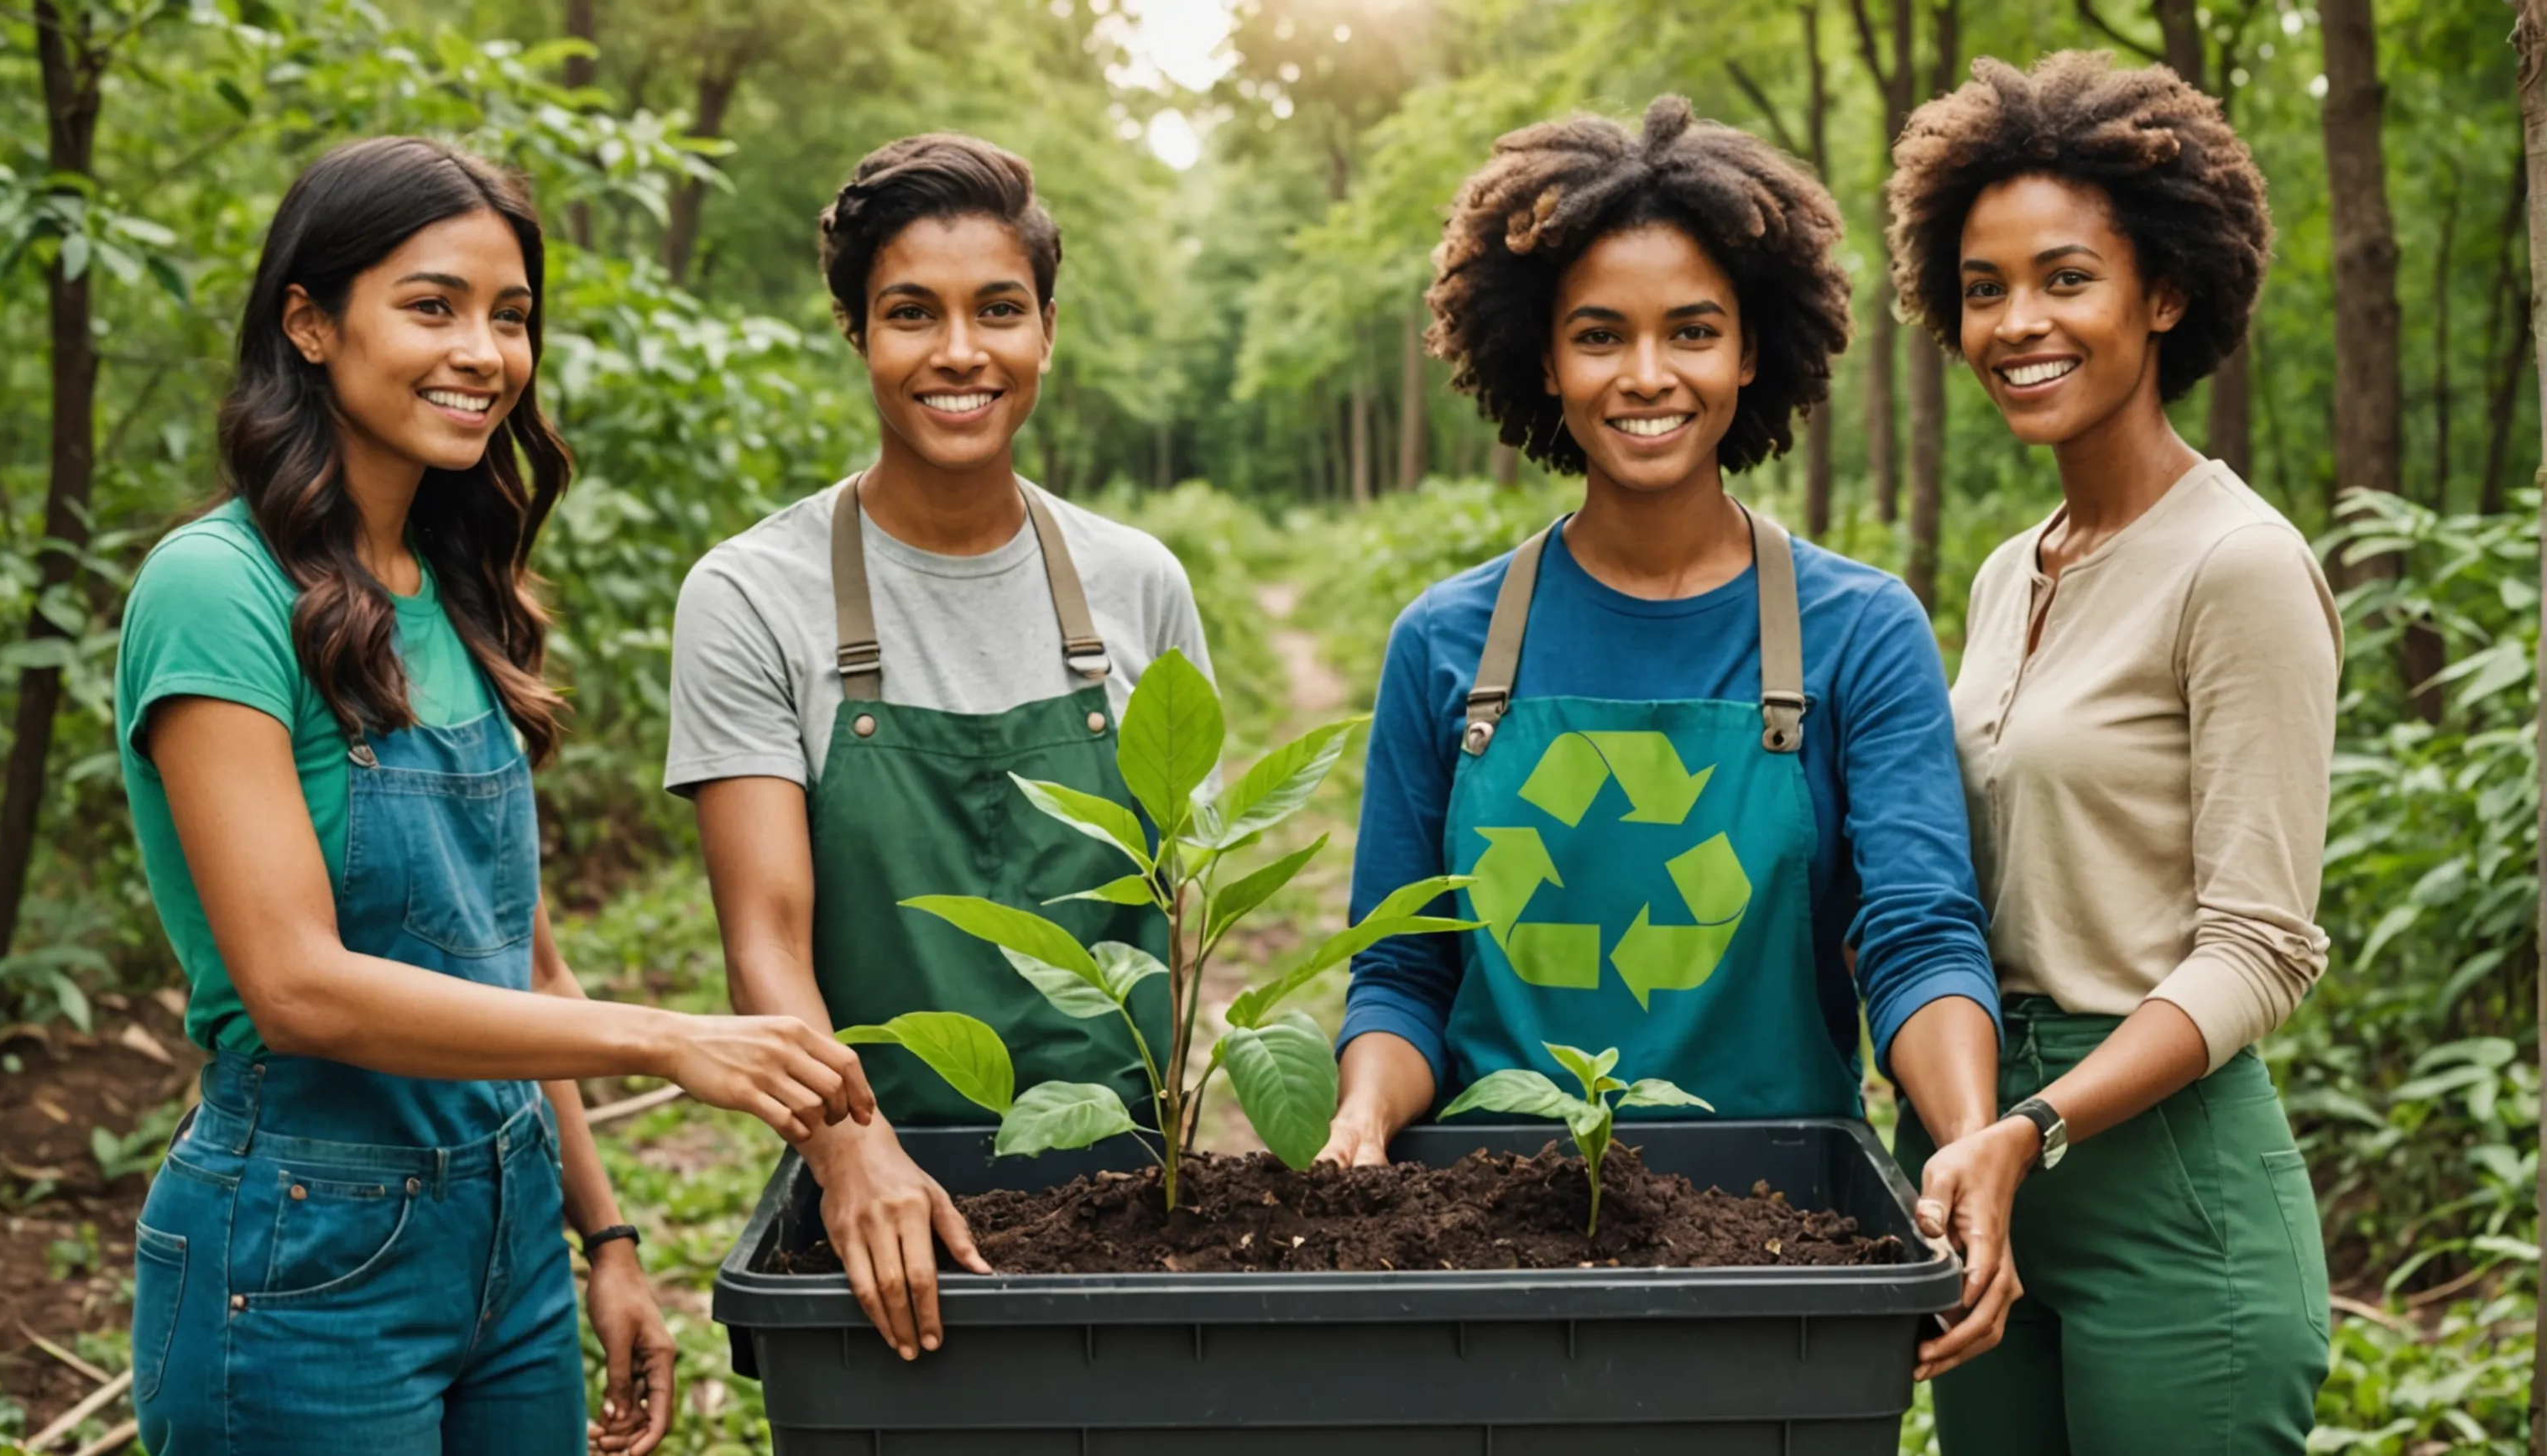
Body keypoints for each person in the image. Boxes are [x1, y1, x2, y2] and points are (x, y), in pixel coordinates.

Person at [118, 138, 872, 1455]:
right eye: (432, 304)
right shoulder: (216, 592)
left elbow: (522, 958)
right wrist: (667, 1037)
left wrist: (609, 1236)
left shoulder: (459, 591)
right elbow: (295, 984)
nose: (483, 351)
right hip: (304, 1249)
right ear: (308, 321)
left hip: (510, 1234)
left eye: (510, 316)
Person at [1319, 97, 2012, 1376]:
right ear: (1541, 360)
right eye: (1601, 336)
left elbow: (1915, 934)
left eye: (1692, 331)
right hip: (1488, 1241)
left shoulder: (1859, 629)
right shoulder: (1444, 642)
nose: (1648, 375)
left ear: (1752, 351)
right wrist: (1363, 1114)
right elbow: (1405, 973)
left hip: (1777, 1241)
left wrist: (1966, 1129)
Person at [665, 133, 1211, 1362]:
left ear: (1048, 330)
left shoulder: (1138, 585)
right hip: (873, 1176)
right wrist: (855, 1156)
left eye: (998, 310)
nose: (961, 352)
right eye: (913, 312)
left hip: (1114, 1190)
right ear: (857, 332)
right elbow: (766, 943)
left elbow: (1177, 904)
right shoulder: (754, 594)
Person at [1887, 53, 2339, 1453]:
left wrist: (2035, 1128)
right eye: (1983, 288)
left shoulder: (2240, 564)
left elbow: (2259, 947)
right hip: (1977, 1163)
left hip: (2164, 1186)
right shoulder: (2006, 572)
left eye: (2065, 278)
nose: (2019, 322)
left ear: (2165, 292)